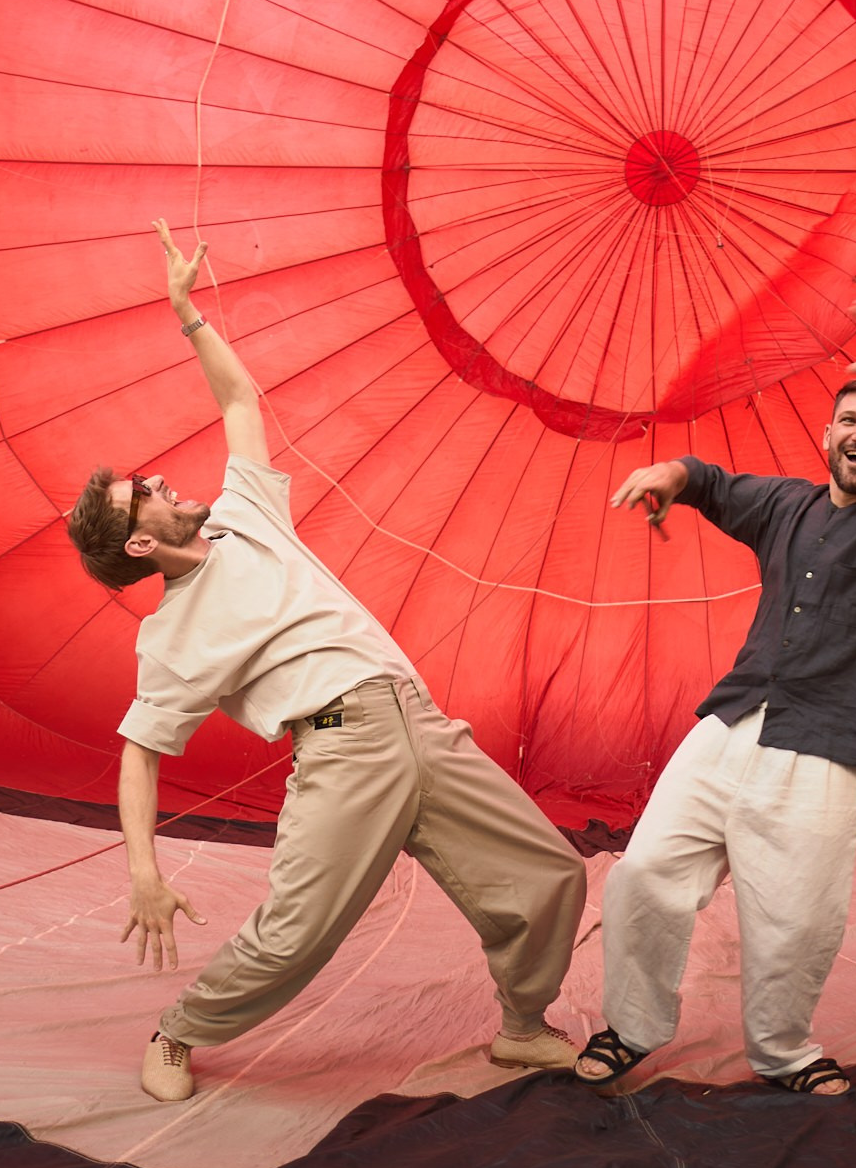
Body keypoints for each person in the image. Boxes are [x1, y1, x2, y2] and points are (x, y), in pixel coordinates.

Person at [69, 224, 588, 1104]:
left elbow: (241, 404)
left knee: (551, 872)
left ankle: (523, 1029)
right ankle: (180, 1030)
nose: (161, 483)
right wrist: (144, 875)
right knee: (299, 932)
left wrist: (187, 313)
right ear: (141, 540)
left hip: (419, 720)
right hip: (343, 745)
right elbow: (139, 751)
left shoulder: (244, 517)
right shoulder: (170, 635)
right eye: (144, 494)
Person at [574, 299, 856, 1100]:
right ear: (829, 436)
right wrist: (671, 474)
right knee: (643, 876)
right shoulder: (785, 506)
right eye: (850, 421)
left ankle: (785, 1051)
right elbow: (713, 482)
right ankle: (630, 1027)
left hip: (822, 748)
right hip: (727, 728)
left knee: (796, 920)